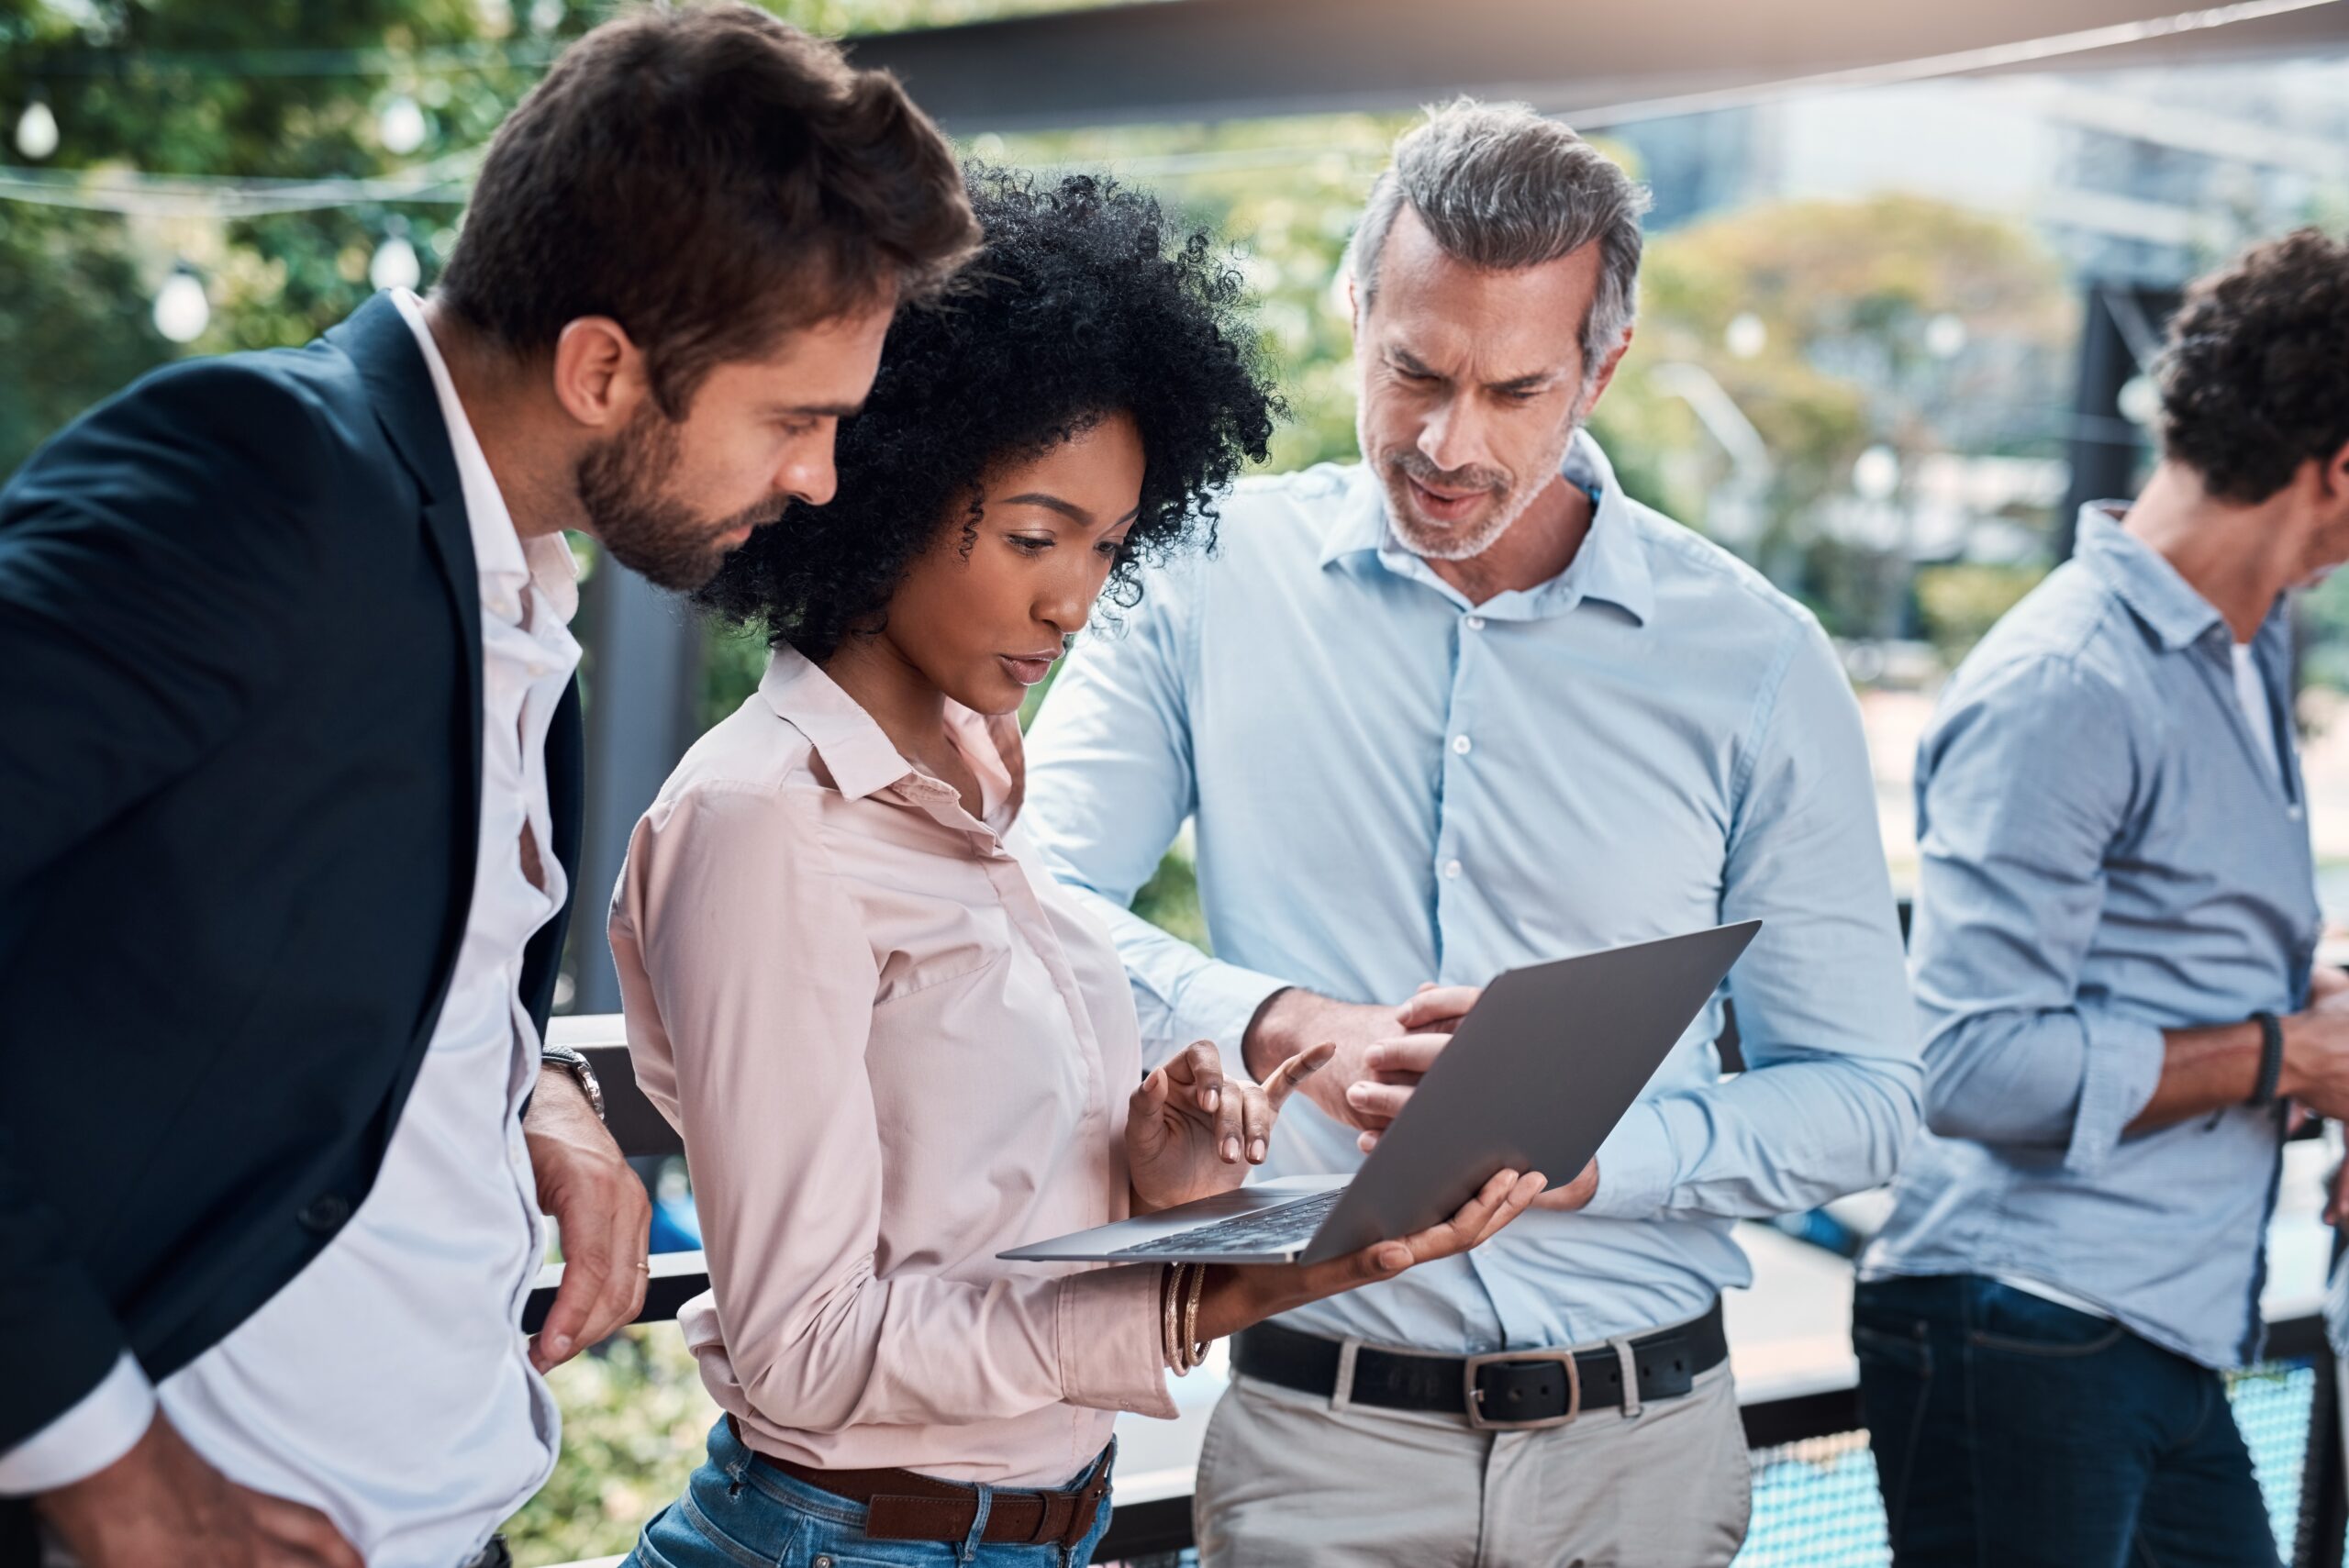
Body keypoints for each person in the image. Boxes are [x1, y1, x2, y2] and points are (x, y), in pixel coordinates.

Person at [0, 8, 977, 1567]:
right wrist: (112, 1474)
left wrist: (530, 1078)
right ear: (604, 366)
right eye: (795, 417)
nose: (819, 478)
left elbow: (319, 936)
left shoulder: (518, 598)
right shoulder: (267, 480)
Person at [607, 166, 1550, 1568]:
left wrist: (1147, 1172)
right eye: (1037, 536)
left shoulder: (984, 783)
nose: (1075, 598)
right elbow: (805, 1350)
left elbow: (969, 1204)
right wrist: (1212, 1294)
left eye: (1110, 545)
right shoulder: (766, 822)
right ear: (884, 486)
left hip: (1039, 1528)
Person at [1020, 101, 1920, 1567]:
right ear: (1355, 308)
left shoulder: (1755, 657)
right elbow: (1030, 899)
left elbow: (1868, 1096)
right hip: (1321, 1447)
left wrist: (1595, 1158)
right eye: (1413, 371)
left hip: (1640, 1458)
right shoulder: (1200, 576)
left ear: (1602, 366)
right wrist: (1276, 1018)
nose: (1449, 441)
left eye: (1514, 390)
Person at [1854, 229, 2349, 1568]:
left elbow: (2162, 954)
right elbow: (1964, 1058)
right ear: (2340, 467)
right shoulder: (2072, 681)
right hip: (2023, 1320)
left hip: (2156, 1330)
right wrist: (2281, 1053)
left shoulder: (2241, 655)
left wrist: (2308, 1010)